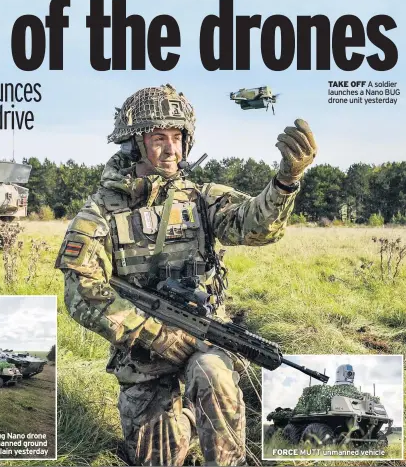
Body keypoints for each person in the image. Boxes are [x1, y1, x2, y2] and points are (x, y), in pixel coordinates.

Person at [55, 84, 317, 466]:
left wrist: (285, 181)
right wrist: (154, 334)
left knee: (214, 375)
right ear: (133, 143)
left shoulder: (200, 197)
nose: (171, 149)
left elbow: (256, 226)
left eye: (178, 137)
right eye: (158, 137)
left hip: (204, 337)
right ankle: (184, 419)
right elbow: (82, 292)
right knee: (160, 454)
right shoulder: (99, 214)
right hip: (143, 358)